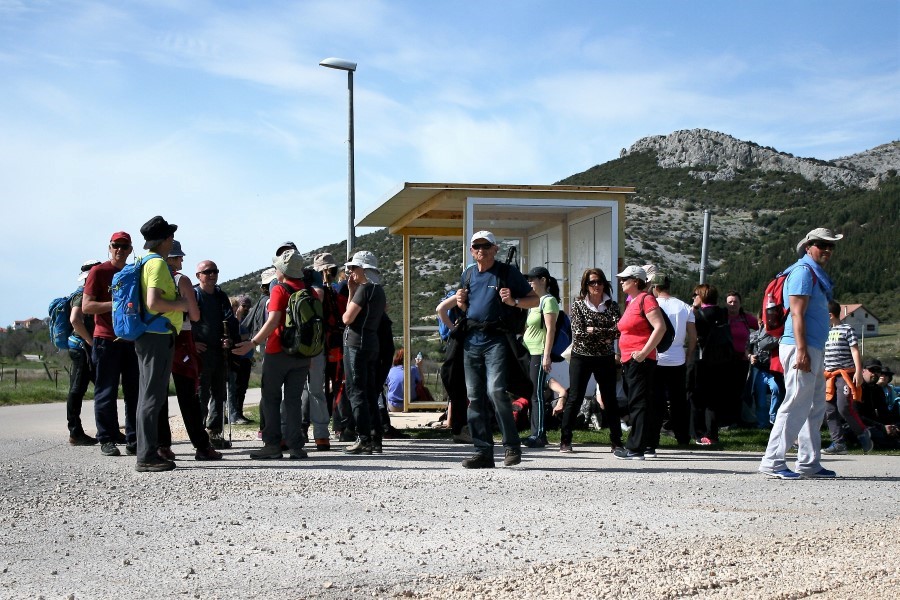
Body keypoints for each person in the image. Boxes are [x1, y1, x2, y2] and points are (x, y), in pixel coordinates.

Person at [759, 227, 842, 479]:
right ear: (808, 247)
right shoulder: (803, 272)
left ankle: (809, 462)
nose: (826, 249)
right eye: (821, 244)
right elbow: (796, 313)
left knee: (815, 404)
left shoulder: (814, 274)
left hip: (811, 346)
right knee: (795, 402)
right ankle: (772, 461)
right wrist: (802, 351)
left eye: (830, 246)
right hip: (799, 346)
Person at [452, 231, 537, 468]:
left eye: (486, 246)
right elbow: (467, 307)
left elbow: (535, 299)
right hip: (472, 341)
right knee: (475, 397)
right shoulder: (468, 274)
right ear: (471, 251)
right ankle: (483, 452)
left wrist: (514, 302)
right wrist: (461, 303)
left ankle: (511, 446)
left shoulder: (507, 273)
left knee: (496, 391)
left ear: (495, 249)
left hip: (496, 340)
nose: (481, 250)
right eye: (477, 246)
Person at [233, 249, 311, 460]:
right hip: (302, 353)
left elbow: (274, 319)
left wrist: (253, 342)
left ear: (282, 270)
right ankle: (296, 446)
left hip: (279, 351)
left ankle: (273, 445)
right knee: (294, 400)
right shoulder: (305, 289)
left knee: (271, 398)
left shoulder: (279, 289)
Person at [134, 216, 189, 472]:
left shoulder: (145, 261)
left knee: (148, 395)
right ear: (165, 239)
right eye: (171, 237)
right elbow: (154, 302)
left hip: (151, 335)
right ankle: (146, 456)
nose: (173, 241)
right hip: (157, 336)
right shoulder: (156, 264)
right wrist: (181, 305)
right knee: (152, 397)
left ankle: (149, 450)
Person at [82, 231, 139, 457]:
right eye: (116, 246)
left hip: (131, 339)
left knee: (134, 392)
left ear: (130, 250)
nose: (120, 250)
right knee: (106, 390)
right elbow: (87, 307)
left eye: (125, 247)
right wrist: (116, 303)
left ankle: (132, 438)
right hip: (106, 338)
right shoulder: (99, 272)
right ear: (109, 247)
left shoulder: (134, 273)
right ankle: (106, 437)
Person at [165, 240, 221, 461]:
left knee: (158, 397)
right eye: (178, 257)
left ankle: (162, 446)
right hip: (181, 338)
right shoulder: (181, 280)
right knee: (188, 397)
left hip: (154, 338)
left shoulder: (146, 278)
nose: (181, 261)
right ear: (171, 258)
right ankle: (201, 445)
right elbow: (195, 316)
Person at [558, 268, 621, 454]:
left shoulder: (612, 305)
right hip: (581, 356)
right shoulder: (578, 306)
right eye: (592, 282)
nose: (597, 286)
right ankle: (565, 439)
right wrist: (604, 333)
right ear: (586, 285)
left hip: (605, 358)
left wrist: (593, 330)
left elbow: (617, 331)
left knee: (610, 399)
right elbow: (579, 333)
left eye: (600, 282)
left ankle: (616, 441)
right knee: (575, 397)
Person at [614, 266, 666, 460]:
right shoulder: (634, 302)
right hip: (632, 359)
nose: (621, 282)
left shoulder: (646, 299)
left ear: (636, 280)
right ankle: (647, 445)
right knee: (642, 401)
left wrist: (644, 352)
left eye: (625, 278)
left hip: (640, 360)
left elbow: (660, 327)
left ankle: (635, 448)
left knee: (638, 403)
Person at [340, 250, 387, 455]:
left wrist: (352, 292)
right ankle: (376, 438)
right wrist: (352, 290)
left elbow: (347, 318)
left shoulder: (364, 289)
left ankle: (363, 439)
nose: (351, 272)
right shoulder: (379, 290)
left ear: (363, 269)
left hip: (356, 344)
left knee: (356, 391)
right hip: (372, 343)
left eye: (353, 268)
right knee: (369, 392)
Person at [192, 259, 240, 448]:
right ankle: (199, 433)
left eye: (215, 271)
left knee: (219, 394)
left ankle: (214, 432)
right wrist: (192, 343)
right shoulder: (194, 295)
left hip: (219, 352)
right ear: (198, 276)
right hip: (201, 353)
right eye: (207, 272)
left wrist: (231, 340)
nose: (212, 275)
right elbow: (185, 322)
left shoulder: (220, 295)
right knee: (201, 394)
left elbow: (230, 320)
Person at [648, 271, 696, 448]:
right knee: (678, 401)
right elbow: (692, 336)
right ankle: (683, 437)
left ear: (655, 287)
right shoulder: (684, 307)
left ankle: (653, 437)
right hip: (678, 359)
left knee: (656, 401)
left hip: (656, 358)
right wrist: (689, 353)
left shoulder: (651, 305)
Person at [822, 300, 871, 454]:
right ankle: (839, 443)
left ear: (830, 315)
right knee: (829, 410)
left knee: (844, 407)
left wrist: (858, 371)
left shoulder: (847, 329)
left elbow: (855, 350)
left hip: (845, 374)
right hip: (829, 375)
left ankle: (862, 432)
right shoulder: (824, 331)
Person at [521, 266, 559, 448]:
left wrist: (546, 355)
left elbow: (551, 329)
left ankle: (540, 434)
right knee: (532, 393)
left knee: (537, 394)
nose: (529, 283)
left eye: (532, 279)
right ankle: (533, 431)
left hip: (539, 352)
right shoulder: (534, 302)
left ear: (543, 280)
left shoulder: (548, 301)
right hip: (529, 351)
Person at [689, 283, 731, 445]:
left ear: (702, 296)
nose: (693, 297)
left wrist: (694, 307)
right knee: (713, 399)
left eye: (695, 294)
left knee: (697, 397)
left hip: (702, 360)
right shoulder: (723, 313)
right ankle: (712, 434)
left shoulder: (699, 315)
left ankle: (698, 433)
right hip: (721, 361)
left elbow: (692, 333)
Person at [66, 259, 101, 446]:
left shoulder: (86, 293)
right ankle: (75, 431)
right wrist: (90, 341)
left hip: (83, 346)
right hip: (81, 347)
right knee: (77, 389)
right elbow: (75, 320)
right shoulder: (81, 295)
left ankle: (106, 430)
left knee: (101, 387)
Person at [724, 291, 758, 426]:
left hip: (743, 360)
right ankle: (727, 419)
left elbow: (761, 327)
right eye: (730, 302)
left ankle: (739, 419)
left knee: (740, 390)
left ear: (740, 303)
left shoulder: (745, 318)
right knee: (727, 390)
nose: (732, 304)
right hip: (725, 360)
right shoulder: (722, 317)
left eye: (735, 302)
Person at [746, 315, 784, 428]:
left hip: (773, 370)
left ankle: (773, 416)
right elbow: (746, 349)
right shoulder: (753, 335)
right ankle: (762, 423)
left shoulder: (776, 336)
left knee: (777, 390)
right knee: (760, 398)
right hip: (759, 370)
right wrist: (750, 356)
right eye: (761, 322)